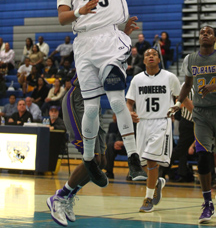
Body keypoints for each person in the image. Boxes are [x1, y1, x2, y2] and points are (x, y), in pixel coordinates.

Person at [56, 0, 146, 188]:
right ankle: (90, 161)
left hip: (110, 39)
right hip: (84, 44)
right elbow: (61, 18)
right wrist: (79, 11)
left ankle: (134, 158)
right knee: (92, 105)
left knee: (116, 96)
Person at [46, 17, 144, 227]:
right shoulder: (92, 43)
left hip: (94, 105)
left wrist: (124, 35)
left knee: (99, 162)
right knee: (90, 160)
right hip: (78, 98)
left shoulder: (117, 51)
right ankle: (60, 197)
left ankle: (67, 196)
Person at [167, 25, 216, 224]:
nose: (205, 34)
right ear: (199, 38)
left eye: (209, 32)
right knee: (203, 155)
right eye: (202, 32)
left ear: (215, 37)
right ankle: (207, 202)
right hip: (201, 113)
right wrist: (178, 103)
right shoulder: (190, 59)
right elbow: (188, 85)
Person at [126, 47, 181, 212]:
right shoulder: (136, 79)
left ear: (159, 59)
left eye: (154, 54)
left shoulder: (170, 77)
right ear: (143, 60)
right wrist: (130, 112)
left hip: (161, 122)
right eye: (147, 55)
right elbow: (129, 102)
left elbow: (180, 97)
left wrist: (176, 106)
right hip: (142, 123)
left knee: (151, 160)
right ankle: (156, 182)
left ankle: (148, 198)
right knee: (144, 164)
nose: (151, 56)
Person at [162, 86, 195, 183]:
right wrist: (191, 104)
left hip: (202, 122)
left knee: (207, 149)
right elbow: (178, 103)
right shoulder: (185, 85)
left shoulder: (205, 82)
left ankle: (211, 177)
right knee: (180, 149)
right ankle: (162, 171)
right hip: (188, 122)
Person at [105, 114, 127, 179]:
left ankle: (133, 173)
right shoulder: (124, 124)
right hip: (124, 146)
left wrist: (124, 143)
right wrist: (117, 142)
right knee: (110, 146)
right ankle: (109, 172)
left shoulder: (139, 123)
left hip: (135, 146)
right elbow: (119, 135)